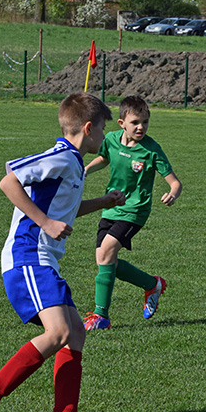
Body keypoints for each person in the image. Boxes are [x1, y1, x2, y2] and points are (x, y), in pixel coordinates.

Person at [0, 93, 126, 412]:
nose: (104, 136)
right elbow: (9, 180)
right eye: (102, 129)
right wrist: (46, 223)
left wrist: (104, 202)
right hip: (27, 255)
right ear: (87, 128)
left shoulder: (74, 164)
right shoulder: (63, 157)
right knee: (59, 334)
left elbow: (65, 211)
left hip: (42, 258)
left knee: (75, 333)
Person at [82, 95, 182, 331]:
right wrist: (86, 169)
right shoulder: (111, 140)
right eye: (136, 122)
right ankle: (153, 284)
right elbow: (104, 158)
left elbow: (175, 182)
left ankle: (101, 316)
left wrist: (173, 193)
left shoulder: (152, 150)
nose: (141, 127)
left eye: (145, 122)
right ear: (121, 124)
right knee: (106, 261)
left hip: (135, 210)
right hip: (111, 206)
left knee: (106, 253)